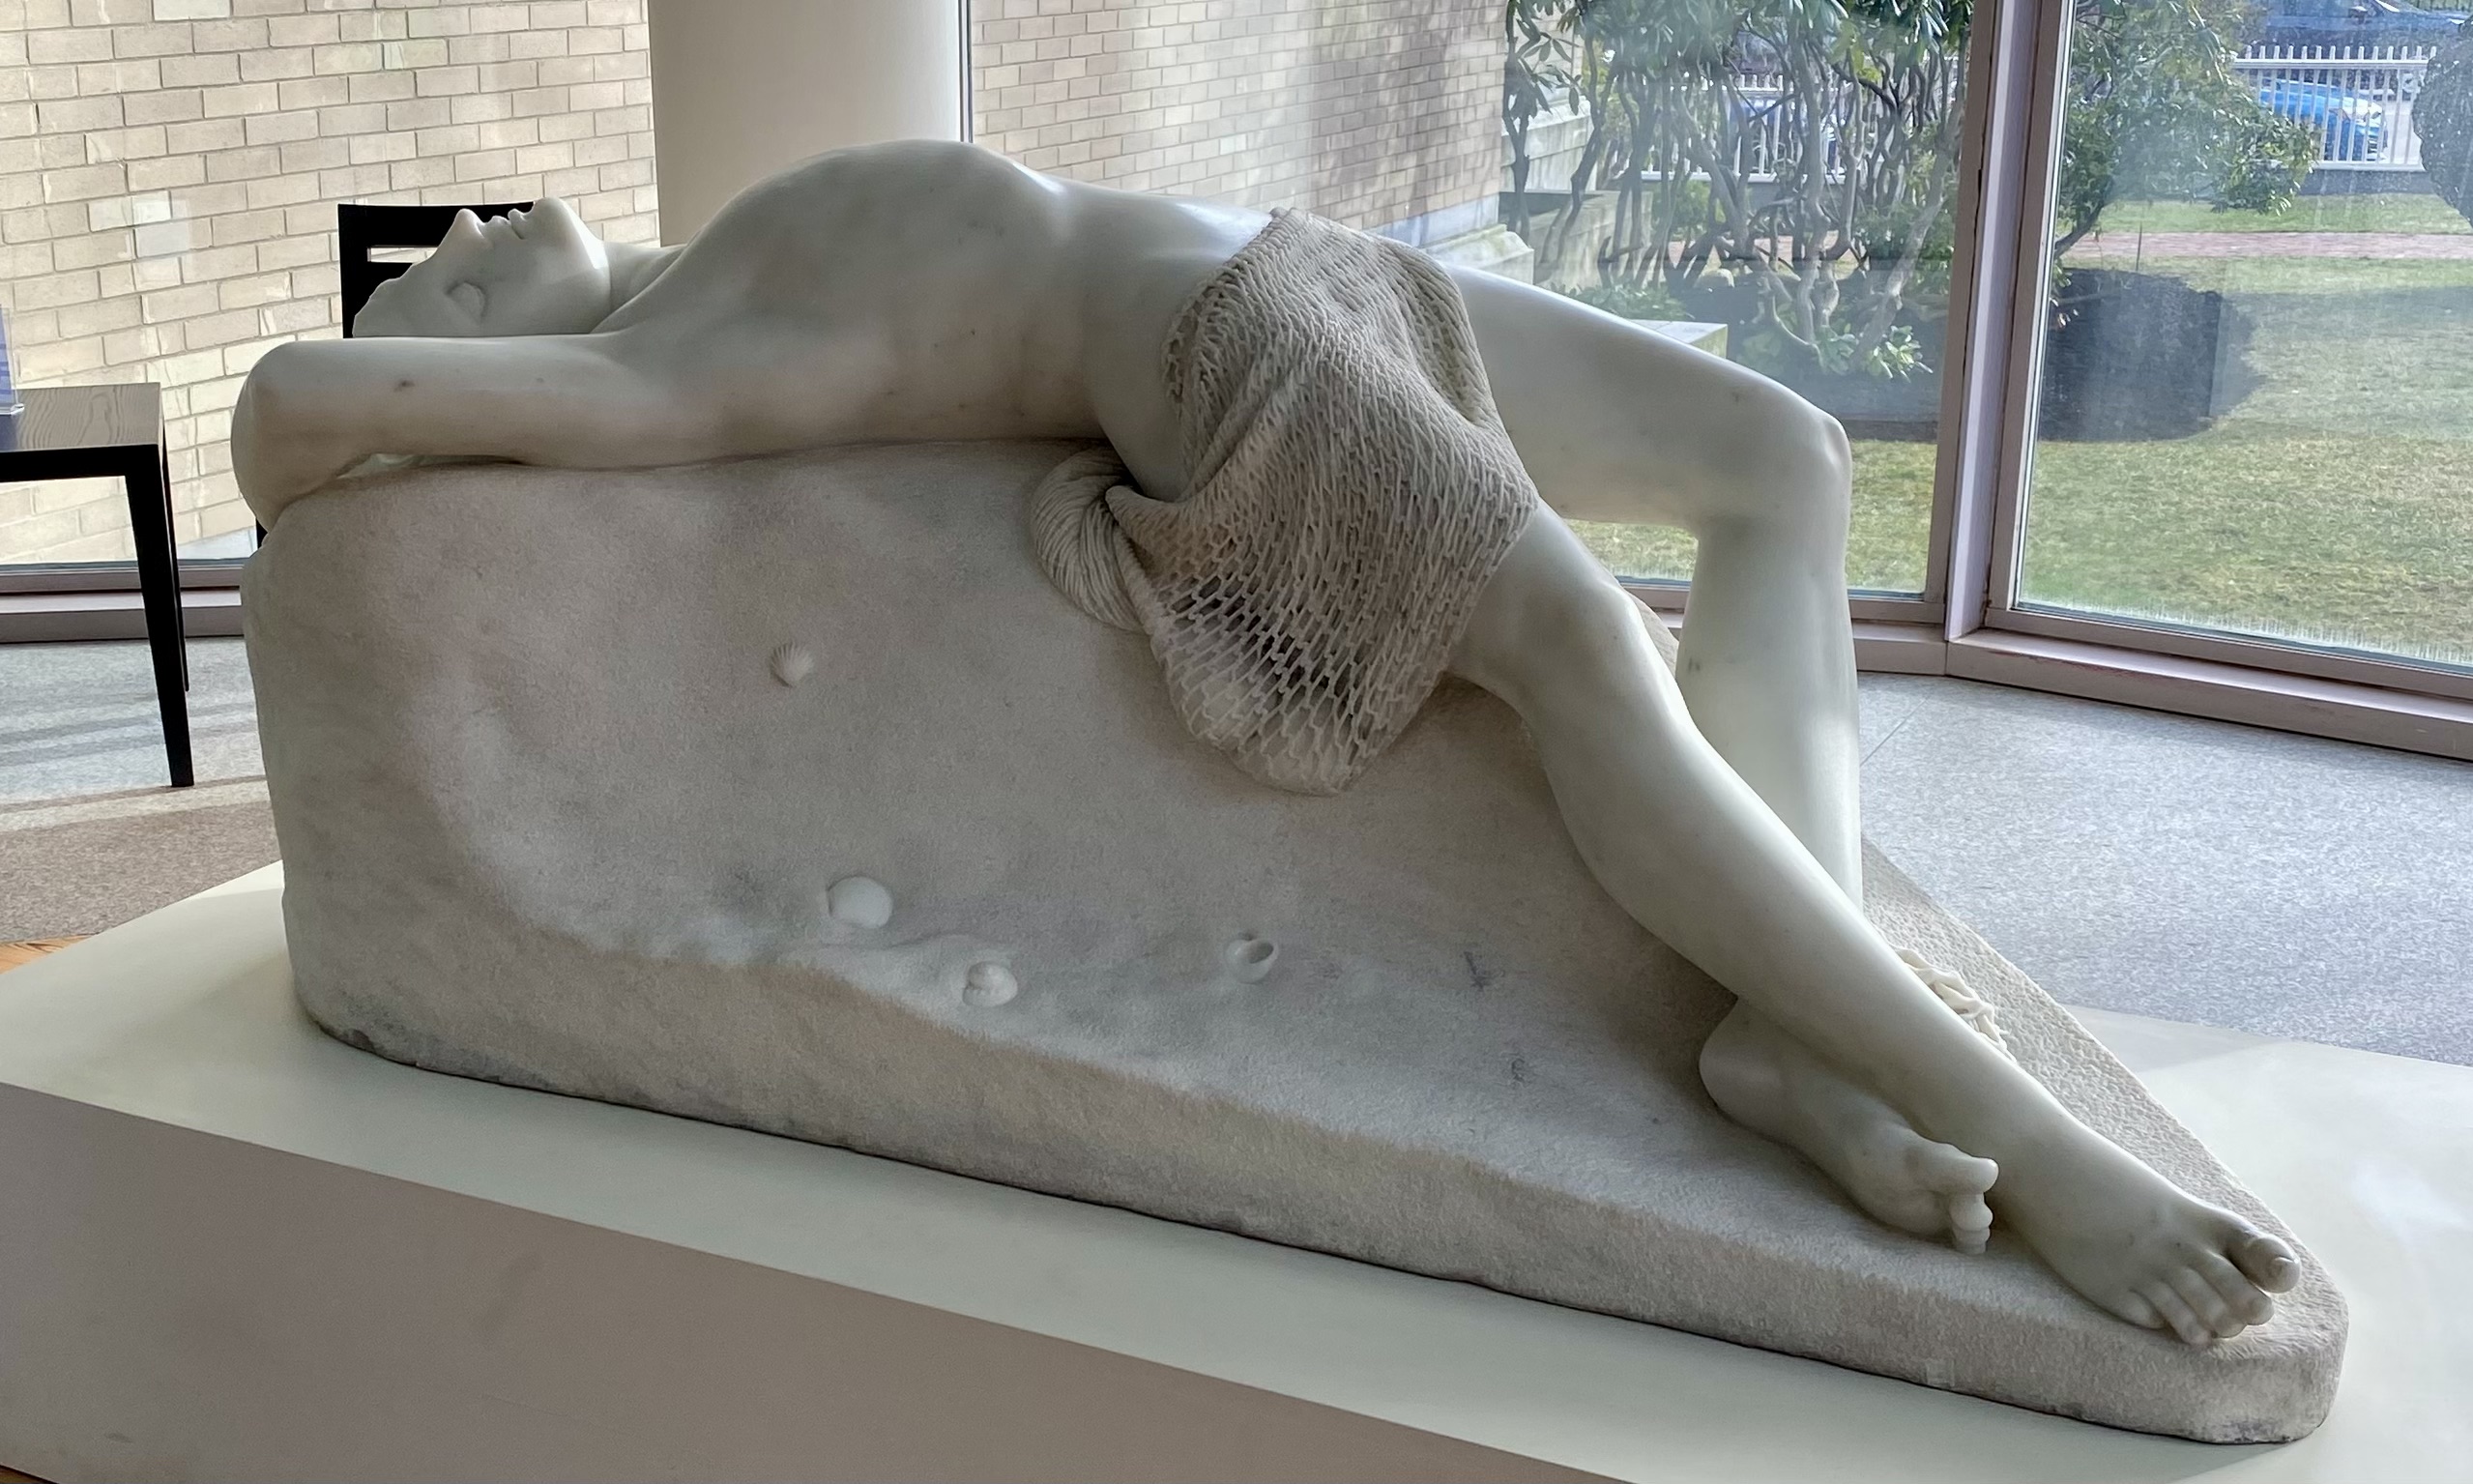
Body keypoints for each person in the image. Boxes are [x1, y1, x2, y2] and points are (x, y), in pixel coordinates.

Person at [233, 139, 2300, 1347]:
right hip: (1220, 356)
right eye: (432, 299)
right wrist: (340, 392)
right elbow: (292, 415)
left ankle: (1798, 1033)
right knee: (1582, 649)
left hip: (1317, 276)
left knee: (1776, 456)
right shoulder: (687, 361)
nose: (452, 250)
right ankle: (2032, 1150)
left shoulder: (704, 261)